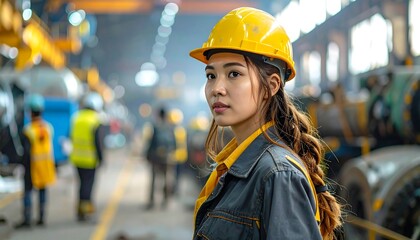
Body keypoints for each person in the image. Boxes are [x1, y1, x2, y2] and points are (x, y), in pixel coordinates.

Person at [189, 7, 342, 240]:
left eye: (233, 74)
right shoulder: (238, 166)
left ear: (271, 86)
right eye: (211, 75)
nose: (216, 89)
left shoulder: (278, 175)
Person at [15, 94, 56, 229]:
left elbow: (25, 152)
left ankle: (27, 219)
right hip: (45, 166)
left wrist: (21, 165)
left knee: (28, 192)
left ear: (30, 112)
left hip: (31, 166)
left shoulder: (28, 130)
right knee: (42, 191)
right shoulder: (48, 128)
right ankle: (42, 217)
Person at [69, 92, 104, 221]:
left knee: (81, 184)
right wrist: (101, 159)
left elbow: (71, 136)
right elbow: (98, 143)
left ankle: (80, 210)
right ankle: (85, 213)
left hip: (77, 158)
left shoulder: (76, 117)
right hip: (90, 159)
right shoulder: (96, 120)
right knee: (88, 186)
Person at [145, 106, 176, 209]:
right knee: (167, 178)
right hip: (167, 156)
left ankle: (152, 202)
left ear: (159, 115)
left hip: (156, 156)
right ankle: (165, 201)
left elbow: (152, 142)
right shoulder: (170, 127)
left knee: (154, 179)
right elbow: (174, 143)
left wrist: (148, 154)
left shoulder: (155, 126)